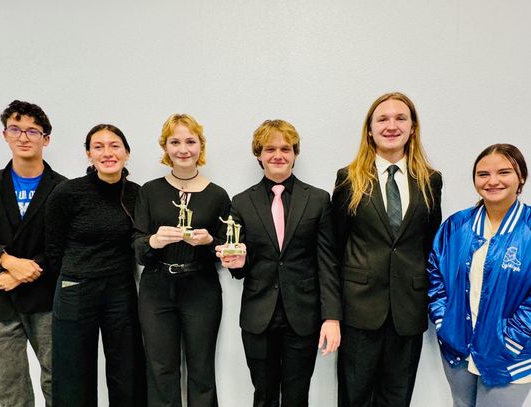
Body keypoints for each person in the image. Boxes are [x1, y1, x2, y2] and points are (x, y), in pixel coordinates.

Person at [216, 119, 342, 407]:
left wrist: (331, 316)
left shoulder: (319, 200)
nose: (278, 155)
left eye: (285, 148)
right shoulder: (241, 202)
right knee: (264, 396)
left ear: (295, 153)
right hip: (259, 316)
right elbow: (239, 265)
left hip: (303, 316)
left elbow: (327, 262)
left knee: (297, 398)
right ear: (258, 154)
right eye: (269, 148)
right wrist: (235, 262)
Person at [332, 92, 442, 407]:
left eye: (400, 118)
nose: (391, 125)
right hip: (359, 309)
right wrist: (334, 311)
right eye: (382, 119)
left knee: (397, 398)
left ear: (413, 128)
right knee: (355, 397)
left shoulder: (430, 181)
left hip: (408, 310)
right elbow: (336, 247)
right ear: (369, 129)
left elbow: (430, 245)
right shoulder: (348, 179)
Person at [45, 124, 146, 406]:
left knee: (127, 370)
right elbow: (53, 248)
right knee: (72, 373)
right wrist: (73, 276)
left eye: (114, 146)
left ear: (126, 153)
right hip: (76, 289)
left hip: (120, 289)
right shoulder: (68, 192)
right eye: (98, 147)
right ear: (89, 155)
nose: (107, 153)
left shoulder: (137, 195)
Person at [134, 114, 230, 407]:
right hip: (156, 288)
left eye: (190, 141)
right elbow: (137, 246)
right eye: (175, 142)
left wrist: (209, 242)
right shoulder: (149, 191)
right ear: (165, 147)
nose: (183, 149)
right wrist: (154, 240)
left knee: (201, 369)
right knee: (161, 369)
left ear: (201, 146)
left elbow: (229, 250)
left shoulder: (217, 195)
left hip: (201, 287)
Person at [428, 144, 531, 407]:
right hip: (458, 346)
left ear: (521, 177)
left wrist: (510, 339)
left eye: (504, 172)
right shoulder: (456, 225)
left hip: (511, 353)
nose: (492, 181)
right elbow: (434, 276)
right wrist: (443, 322)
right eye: (483, 174)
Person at [0, 100, 66, 406]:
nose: (23, 137)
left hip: (46, 298)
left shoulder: (63, 189)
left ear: (45, 139)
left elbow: (64, 247)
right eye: (15, 129)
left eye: (32, 131)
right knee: (9, 384)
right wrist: (5, 262)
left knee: (57, 378)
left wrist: (25, 274)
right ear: (4, 134)